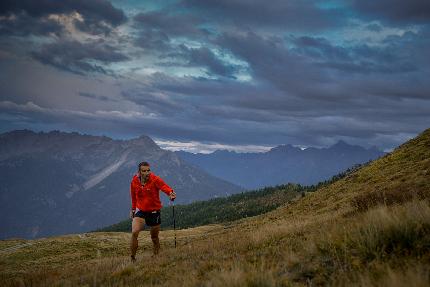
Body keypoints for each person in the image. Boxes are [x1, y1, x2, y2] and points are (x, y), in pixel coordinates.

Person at [129, 161, 176, 262]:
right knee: (134, 232)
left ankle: (156, 256)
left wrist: (171, 193)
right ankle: (132, 258)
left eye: (148, 170)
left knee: (154, 237)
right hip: (141, 210)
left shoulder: (155, 179)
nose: (147, 173)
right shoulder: (134, 181)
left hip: (154, 211)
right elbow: (133, 196)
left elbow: (165, 187)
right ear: (139, 172)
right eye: (144, 171)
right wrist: (133, 209)